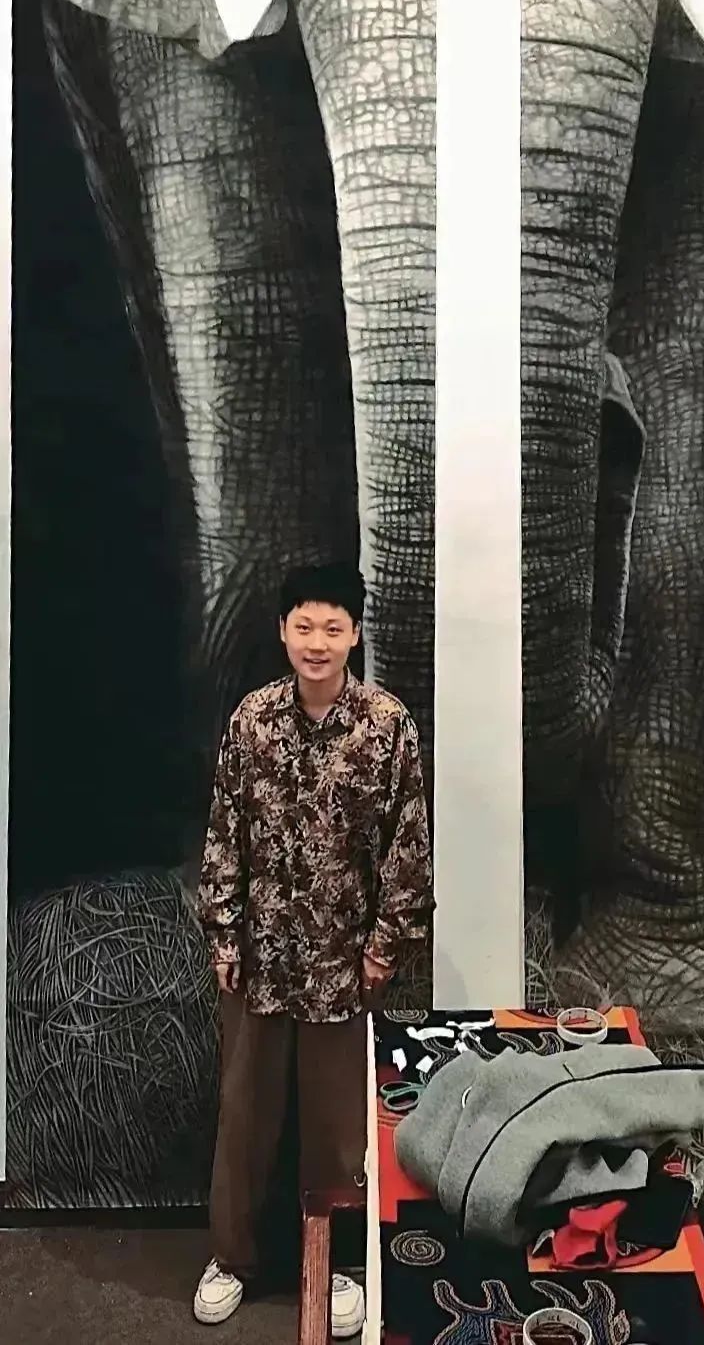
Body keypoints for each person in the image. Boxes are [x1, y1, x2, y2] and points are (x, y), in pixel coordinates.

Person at [192, 559, 434, 1328]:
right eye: (305, 625)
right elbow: (224, 830)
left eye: (333, 626)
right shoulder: (252, 719)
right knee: (245, 1119)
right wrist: (223, 931)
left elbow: (408, 846)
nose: (317, 641)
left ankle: (336, 1267)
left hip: (343, 965)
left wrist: (383, 947)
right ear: (283, 631)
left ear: (355, 633)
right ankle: (231, 1257)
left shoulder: (386, 725)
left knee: (336, 1133)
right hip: (257, 960)